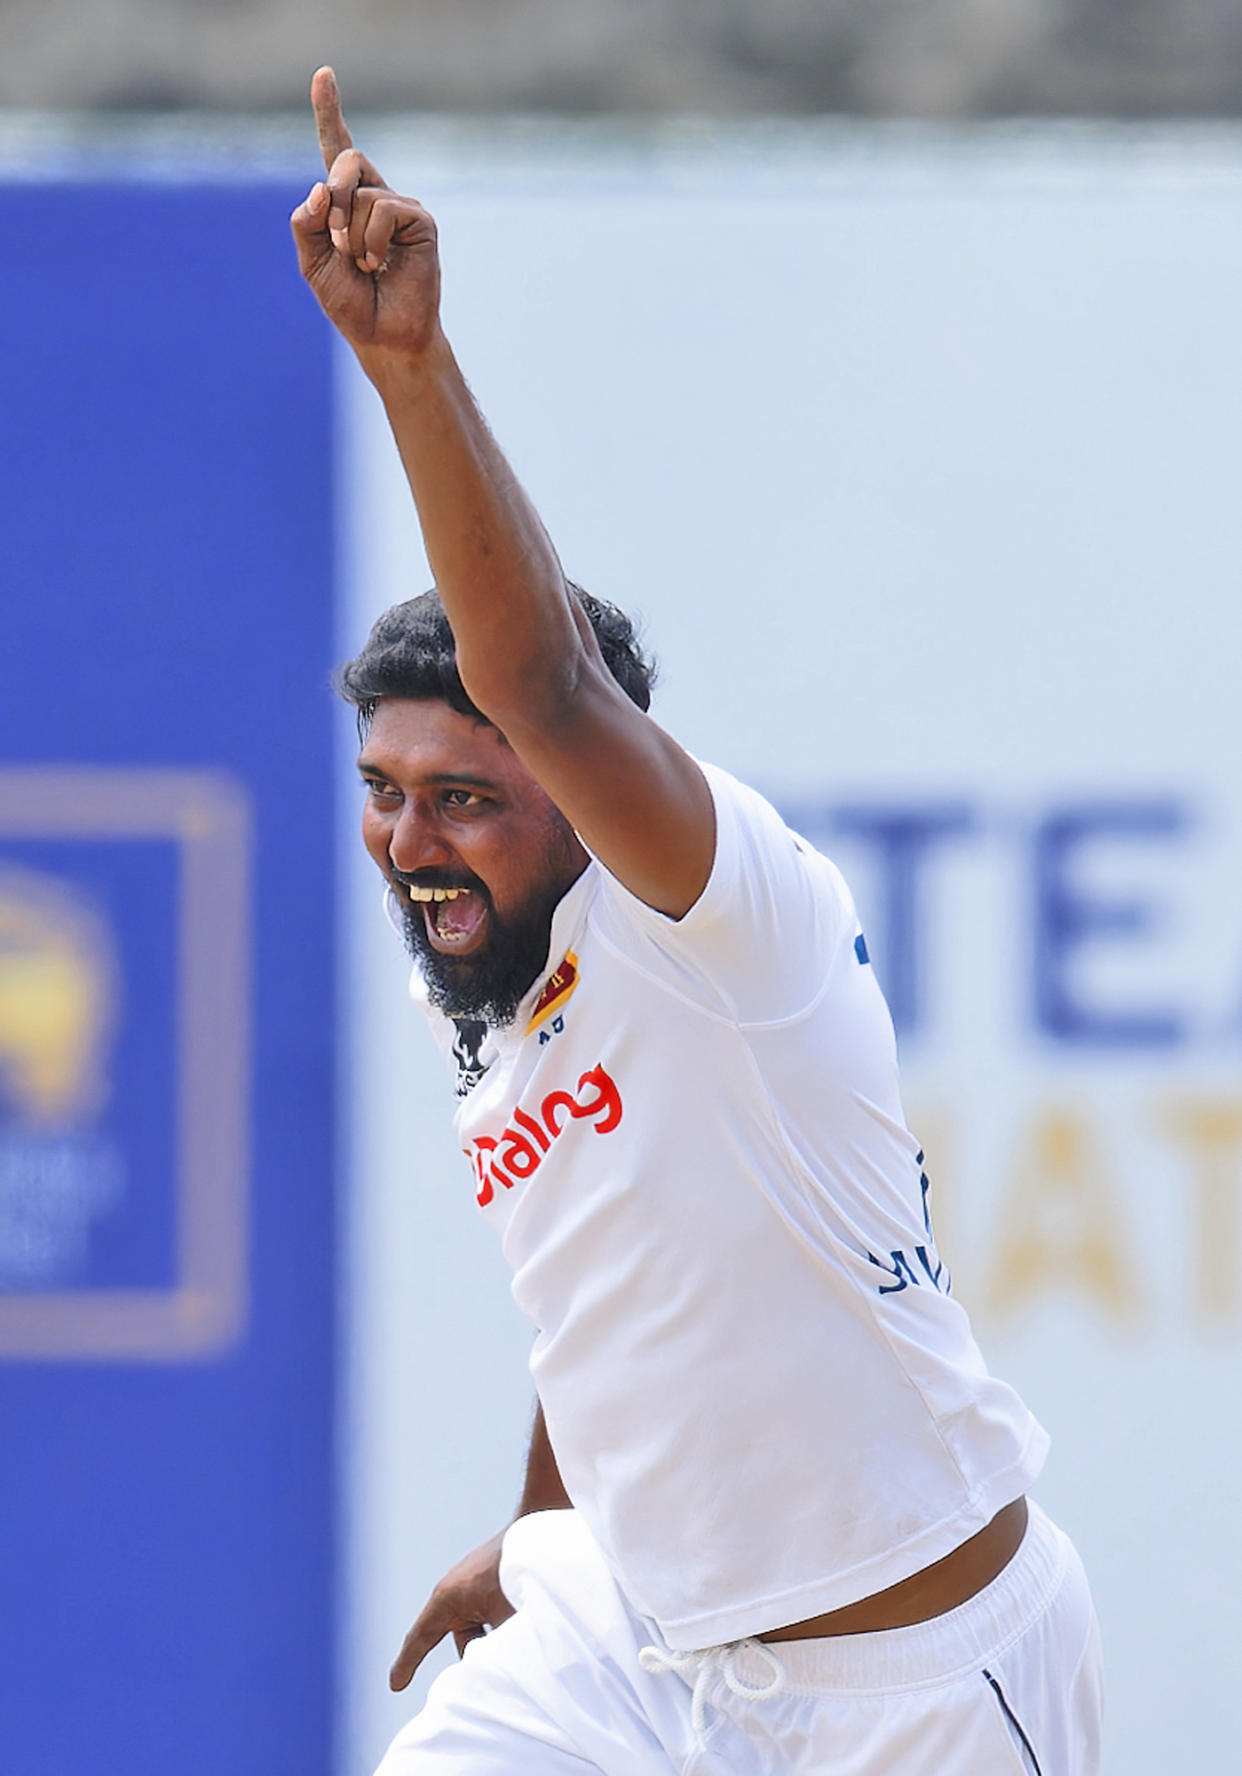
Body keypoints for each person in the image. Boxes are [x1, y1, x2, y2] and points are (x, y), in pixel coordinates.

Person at [292, 67, 1103, 1776]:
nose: (408, 835)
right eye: (385, 786)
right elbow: (607, 1309)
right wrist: (535, 1548)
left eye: (463, 791)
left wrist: (409, 370)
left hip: (915, 1674)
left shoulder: (710, 917)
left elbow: (548, 682)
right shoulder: (506, 1017)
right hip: (641, 1639)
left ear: (582, 795)